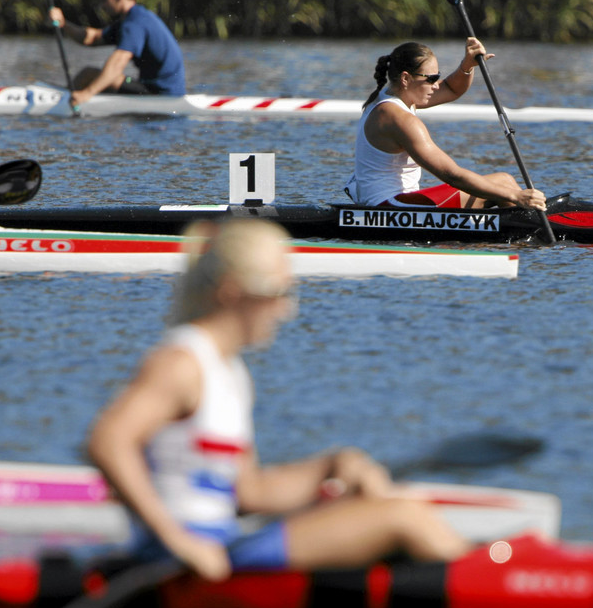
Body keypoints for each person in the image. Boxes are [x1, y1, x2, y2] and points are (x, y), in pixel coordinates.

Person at [87, 219, 470, 581]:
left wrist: (329, 468)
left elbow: (249, 492)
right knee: (404, 517)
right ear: (233, 292)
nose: (288, 310)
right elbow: (109, 440)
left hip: (223, 543)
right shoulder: (181, 363)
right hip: (180, 556)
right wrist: (176, 539)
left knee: (392, 505)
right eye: (278, 292)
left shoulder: (230, 373)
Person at [344, 39, 547, 211]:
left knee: (503, 181)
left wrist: (466, 66)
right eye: (431, 78)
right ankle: (525, 236)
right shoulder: (398, 118)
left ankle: (509, 227)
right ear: (406, 78)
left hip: (393, 203)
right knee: (505, 184)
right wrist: (516, 196)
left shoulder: (394, 97)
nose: (436, 85)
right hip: (390, 208)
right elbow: (452, 175)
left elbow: (451, 89)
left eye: (437, 77)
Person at [49, 0, 186, 104]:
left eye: (104, 0)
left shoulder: (134, 24)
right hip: (154, 88)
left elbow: (117, 63)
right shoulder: (132, 19)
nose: (102, 6)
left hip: (161, 93)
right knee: (96, 77)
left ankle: (65, 101)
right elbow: (92, 38)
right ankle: (68, 97)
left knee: (89, 74)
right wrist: (64, 24)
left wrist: (87, 93)